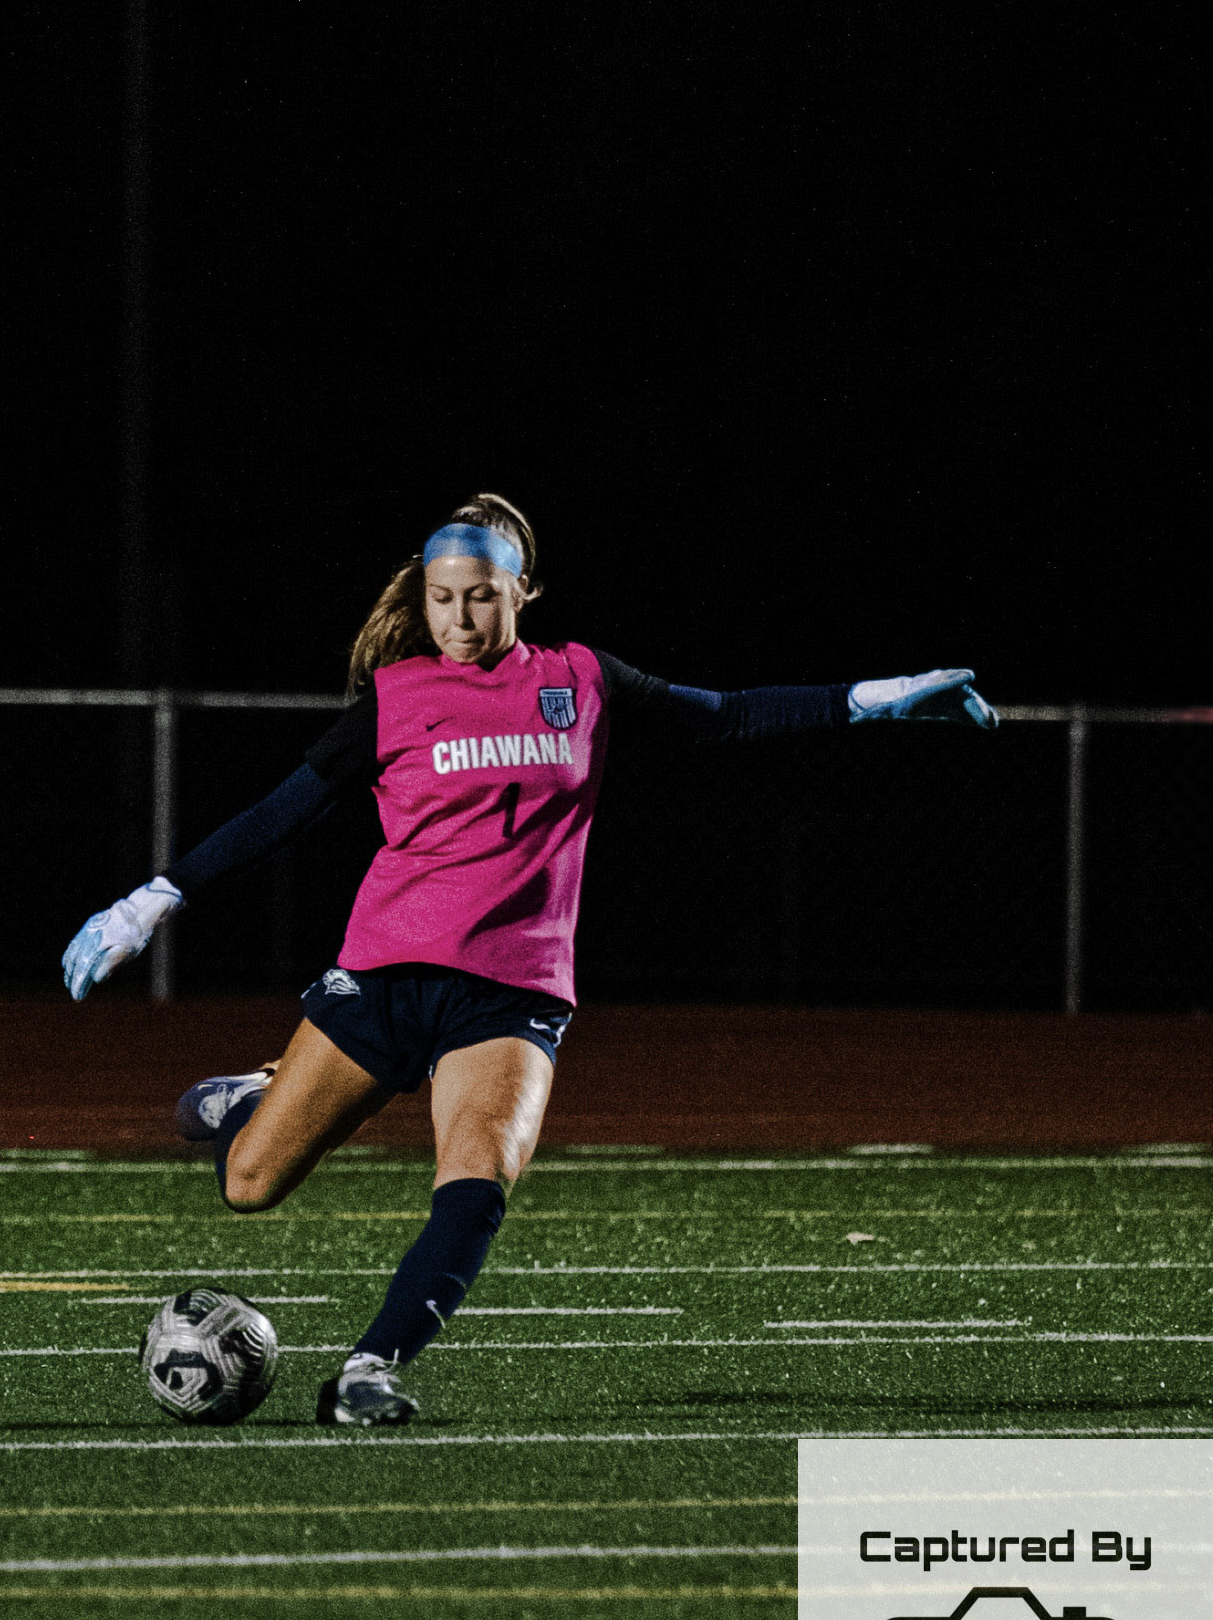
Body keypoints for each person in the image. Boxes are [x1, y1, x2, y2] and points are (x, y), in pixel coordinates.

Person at [63, 494, 997, 1427]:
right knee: (249, 1185)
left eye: (479, 596)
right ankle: (255, 1098)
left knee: (476, 1181)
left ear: (523, 592)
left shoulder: (582, 679)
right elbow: (279, 814)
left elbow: (726, 716)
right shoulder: (396, 697)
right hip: (385, 973)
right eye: (440, 599)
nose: (458, 618)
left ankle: (367, 1371)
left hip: (513, 992)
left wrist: (877, 697)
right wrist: (150, 901)